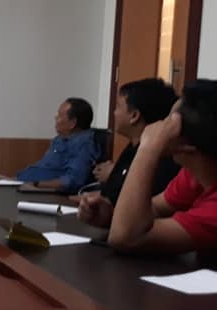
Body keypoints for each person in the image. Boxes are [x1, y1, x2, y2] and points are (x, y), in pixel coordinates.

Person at [81, 80, 217, 255]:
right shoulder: (192, 175)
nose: (159, 125)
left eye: (168, 122)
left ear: (187, 145)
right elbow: (155, 209)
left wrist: (149, 147)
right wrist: (111, 216)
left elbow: (127, 237)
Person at [92, 78, 179, 205]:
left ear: (134, 116)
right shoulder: (132, 147)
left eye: (118, 106)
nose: (114, 113)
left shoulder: (160, 159)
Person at [16, 98, 100, 193]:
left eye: (60, 115)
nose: (55, 118)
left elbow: (72, 180)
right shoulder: (60, 139)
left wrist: (36, 184)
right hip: (23, 183)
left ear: (72, 123)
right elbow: (43, 167)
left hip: (44, 192)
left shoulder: (84, 145)